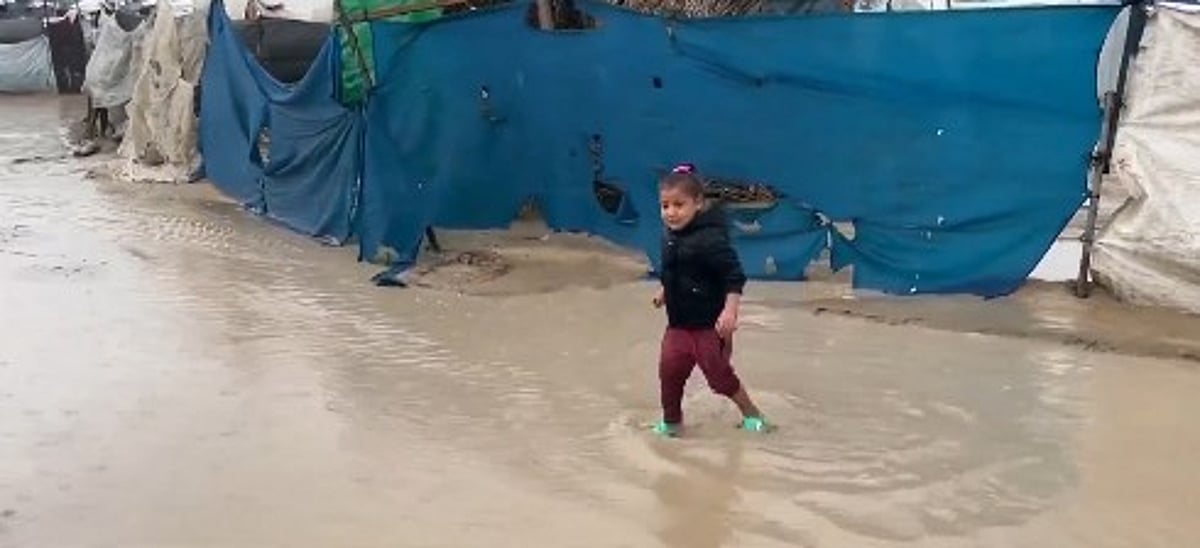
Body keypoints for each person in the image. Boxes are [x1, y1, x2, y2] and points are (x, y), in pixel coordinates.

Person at [652, 164, 770, 437]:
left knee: (719, 378)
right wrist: (665, 290)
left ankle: (753, 414)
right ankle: (672, 422)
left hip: (709, 327)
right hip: (678, 325)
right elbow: (674, 270)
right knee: (669, 374)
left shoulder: (710, 240)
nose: (671, 212)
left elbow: (734, 277)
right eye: (665, 205)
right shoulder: (669, 237)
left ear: (698, 203)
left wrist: (730, 312)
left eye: (679, 205)